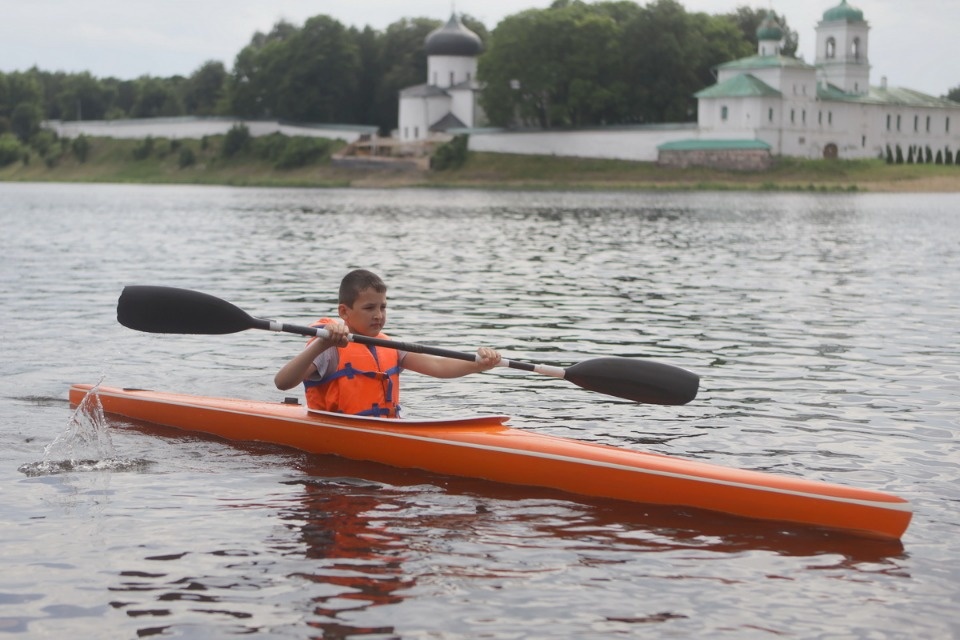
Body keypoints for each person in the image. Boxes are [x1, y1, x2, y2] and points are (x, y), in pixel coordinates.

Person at [275, 269, 501, 417]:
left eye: (382, 307)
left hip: (384, 428)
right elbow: (283, 382)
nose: (378, 315)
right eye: (369, 308)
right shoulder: (329, 346)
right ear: (344, 311)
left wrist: (477, 365)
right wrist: (321, 344)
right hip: (336, 429)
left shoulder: (389, 346)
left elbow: (438, 366)